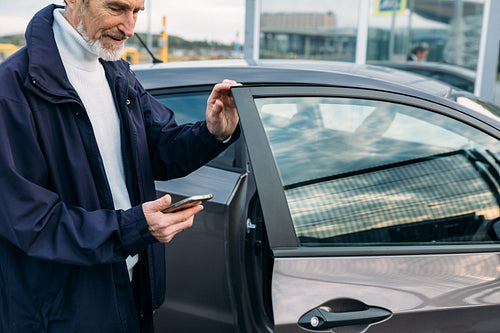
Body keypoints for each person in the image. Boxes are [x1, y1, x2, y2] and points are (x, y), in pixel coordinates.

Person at [0, 0, 240, 332]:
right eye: (116, 8)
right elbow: (32, 222)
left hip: (130, 292)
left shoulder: (117, 72)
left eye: (137, 12)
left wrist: (212, 133)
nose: (129, 27)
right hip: (62, 314)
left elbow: (158, 149)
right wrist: (133, 229)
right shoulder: (11, 90)